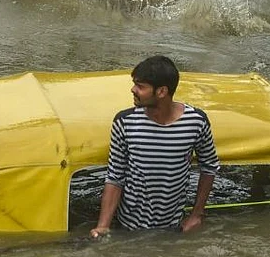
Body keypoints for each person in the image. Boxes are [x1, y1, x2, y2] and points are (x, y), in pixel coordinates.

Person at [90, 55, 220, 238]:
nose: (133, 90)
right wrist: (103, 226)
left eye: (141, 86)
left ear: (161, 92)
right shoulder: (125, 122)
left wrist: (196, 215)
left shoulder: (196, 122)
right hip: (128, 226)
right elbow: (115, 177)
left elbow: (210, 167)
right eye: (135, 84)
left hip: (173, 228)